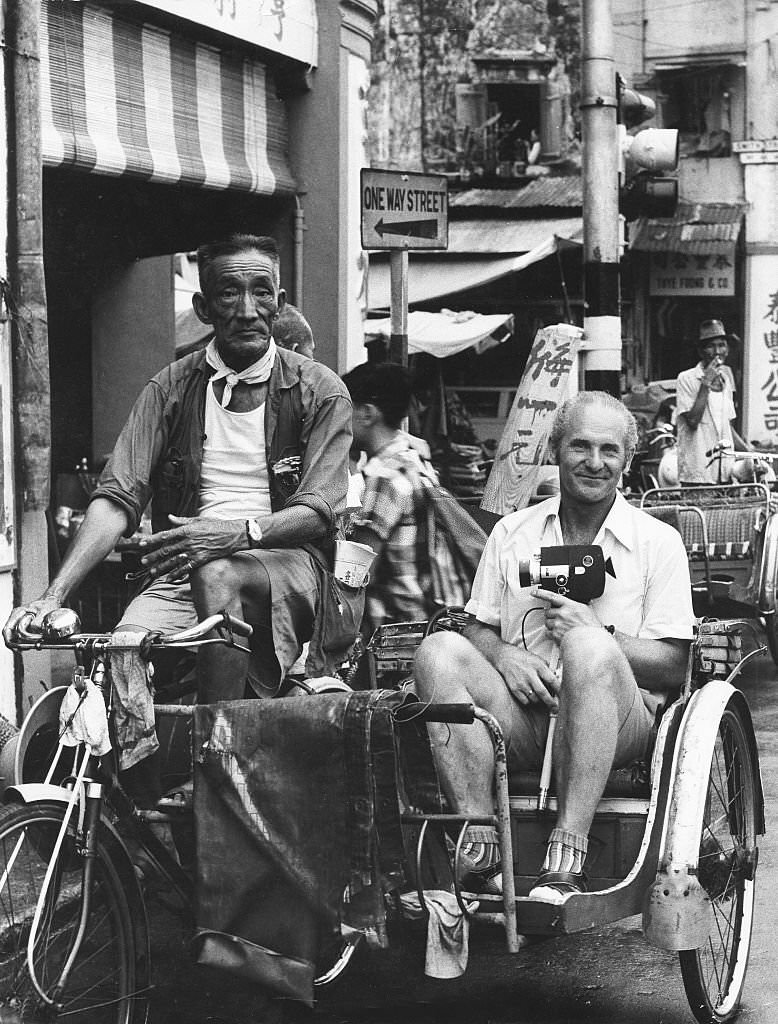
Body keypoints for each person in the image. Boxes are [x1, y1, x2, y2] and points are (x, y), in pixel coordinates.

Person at [4, 232, 353, 807]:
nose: (247, 310)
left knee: (218, 572)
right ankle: (141, 815)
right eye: (228, 294)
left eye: (261, 293)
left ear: (280, 301)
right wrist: (52, 594)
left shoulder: (319, 390)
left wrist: (238, 533)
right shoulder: (171, 387)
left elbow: (319, 509)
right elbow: (118, 497)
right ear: (202, 306)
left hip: (289, 569)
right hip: (186, 566)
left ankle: (211, 758)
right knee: (120, 651)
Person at [413, 391, 695, 902]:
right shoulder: (513, 534)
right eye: (580, 446)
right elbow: (476, 625)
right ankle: (482, 847)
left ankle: (568, 853)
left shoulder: (657, 542)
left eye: (609, 450)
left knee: (587, 647)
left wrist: (596, 632)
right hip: (528, 715)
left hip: (619, 725)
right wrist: (503, 655)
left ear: (627, 461)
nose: (594, 462)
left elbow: (675, 665)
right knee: (438, 652)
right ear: (556, 449)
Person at [341, 361, 476, 635]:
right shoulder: (415, 461)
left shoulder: (385, 476)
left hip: (398, 629)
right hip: (430, 618)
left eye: (344, 410)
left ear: (366, 413)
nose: (337, 421)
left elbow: (355, 569)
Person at [675, 319, 751, 484]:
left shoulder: (726, 380)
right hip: (698, 473)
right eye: (711, 346)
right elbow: (693, 421)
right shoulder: (686, 378)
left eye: (722, 345)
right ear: (701, 351)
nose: (717, 351)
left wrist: (750, 453)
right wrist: (705, 385)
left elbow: (727, 427)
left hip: (725, 472)